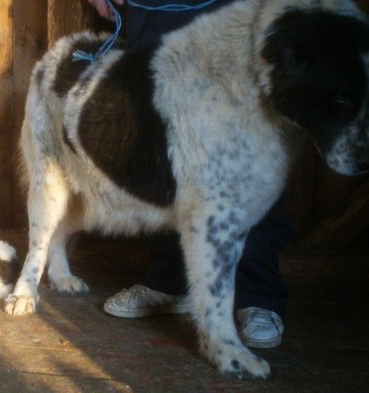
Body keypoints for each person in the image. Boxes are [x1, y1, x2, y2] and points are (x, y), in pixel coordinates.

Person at [87, 0, 290, 349]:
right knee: (163, 141)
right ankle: (170, 281)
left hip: (236, 8)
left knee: (247, 144)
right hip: (150, 10)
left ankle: (258, 294)